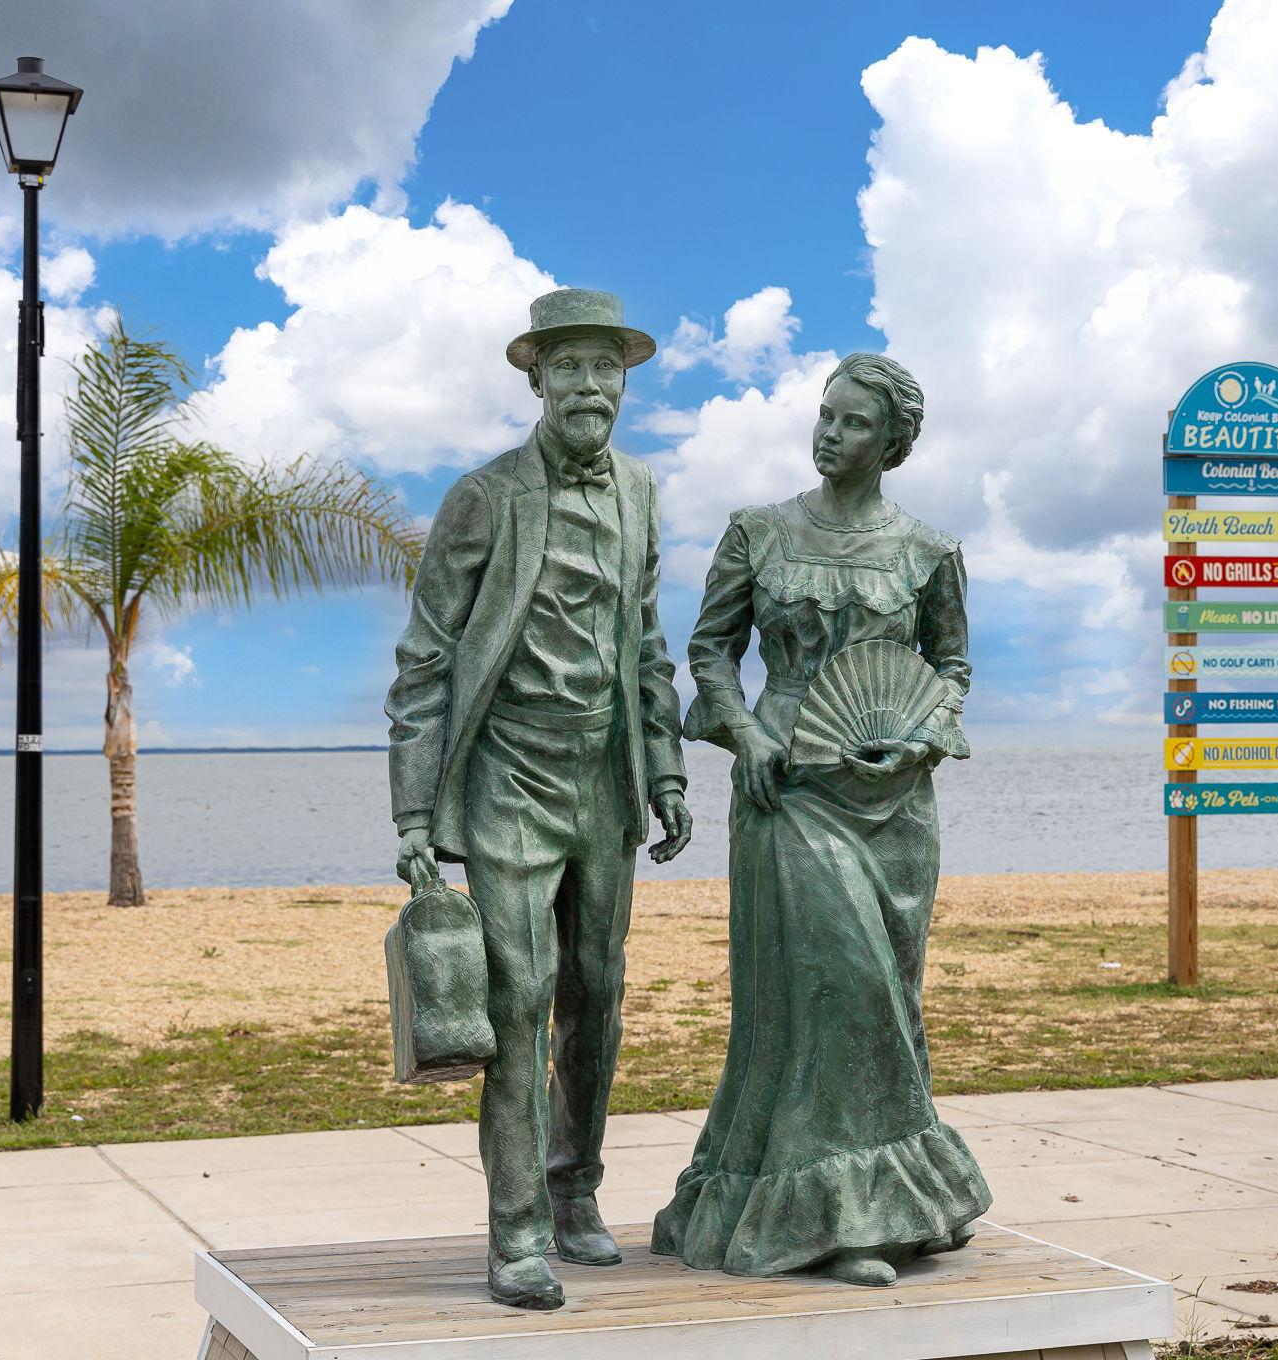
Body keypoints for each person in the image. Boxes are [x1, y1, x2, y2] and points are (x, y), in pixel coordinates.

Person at [650, 352, 990, 1287]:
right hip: (786, 788)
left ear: (891, 443)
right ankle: (842, 1221)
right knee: (828, 991)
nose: (829, 433)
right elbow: (710, 652)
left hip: (892, 802)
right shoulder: (757, 532)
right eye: (825, 415)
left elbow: (951, 673)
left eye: (851, 423)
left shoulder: (928, 551)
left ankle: (900, 1202)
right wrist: (747, 734)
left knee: (888, 997)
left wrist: (919, 740)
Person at [386, 288, 694, 1310]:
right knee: (517, 1003)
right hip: (509, 780)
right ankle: (514, 1234)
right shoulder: (485, 496)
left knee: (596, 1002)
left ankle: (575, 1193)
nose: (590, 387)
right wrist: (415, 813)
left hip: (602, 783)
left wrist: (668, 771)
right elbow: (426, 660)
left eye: (606, 369)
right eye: (569, 369)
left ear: (625, 383)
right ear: (537, 380)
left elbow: (645, 644)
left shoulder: (643, 491)